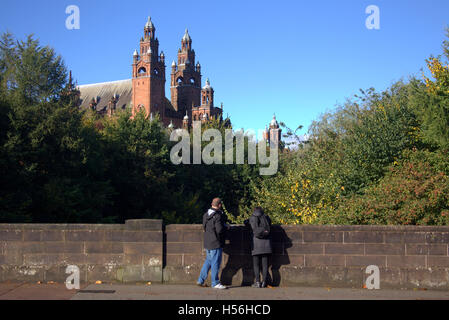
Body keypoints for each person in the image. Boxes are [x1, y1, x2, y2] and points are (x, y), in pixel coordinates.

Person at [197, 198, 229, 290]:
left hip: (207, 241)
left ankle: (200, 280)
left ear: (212, 204)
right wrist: (225, 227)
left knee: (208, 261)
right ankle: (215, 283)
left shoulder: (205, 215)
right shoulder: (218, 215)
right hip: (215, 242)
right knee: (215, 262)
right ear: (219, 205)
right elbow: (219, 230)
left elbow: (205, 227)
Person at [248, 207, 272, 288]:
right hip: (266, 244)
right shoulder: (266, 217)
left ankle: (257, 282)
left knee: (256, 264)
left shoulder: (252, 217)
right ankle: (264, 282)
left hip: (256, 244)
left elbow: (250, 226)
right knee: (265, 265)